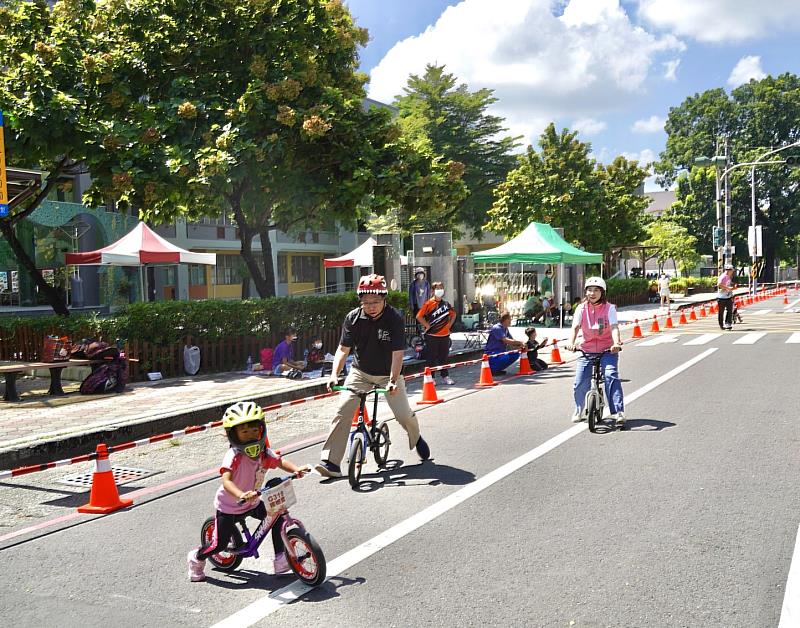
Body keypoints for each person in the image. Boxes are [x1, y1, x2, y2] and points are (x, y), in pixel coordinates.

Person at [315, 274, 430, 478]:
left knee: (403, 414)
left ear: (384, 298)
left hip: (388, 374)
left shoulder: (394, 319)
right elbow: (343, 350)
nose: (371, 306)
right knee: (342, 411)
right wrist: (334, 375)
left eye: (375, 302)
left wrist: (394, 380)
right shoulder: (353, 318)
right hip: (360, 372)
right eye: (366, 302)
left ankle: (416, 436)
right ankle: (331, 462)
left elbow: (398, 354)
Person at [187, 401, 311, 582]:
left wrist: (295, 470)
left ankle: (280, 559)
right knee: (218, 544)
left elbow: (280, 462)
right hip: (229, 506)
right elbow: (226, 481)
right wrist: (241, 494)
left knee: (276, 516)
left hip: (252, 502)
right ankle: (196, 557)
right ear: (233, 435)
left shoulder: (262, 452)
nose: (251, 436)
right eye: (244, 432)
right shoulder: (234, 456)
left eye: (254, 431)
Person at [564, 276, 626, 427]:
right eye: (589, 290)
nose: (592, 293)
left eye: (596, 290)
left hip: (607, 350)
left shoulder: (609, 308)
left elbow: (614, 327)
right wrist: (570, 343)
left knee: (611, 375)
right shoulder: (581, 308)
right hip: (587, 350)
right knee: (580, 381)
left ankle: (619, 412)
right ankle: (579, 409)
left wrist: (616, 343)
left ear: (602, 292)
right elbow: (575, 327)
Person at [416, 281, 457, 385]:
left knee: (444, 357)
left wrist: (449, 325)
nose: (440, 290)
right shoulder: (428, 304)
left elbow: (454, 314)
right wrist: (427, 325)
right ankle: (431, 377)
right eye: (437, 288)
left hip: (445, 335)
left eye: (441, 288)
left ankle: (445, 376)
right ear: (432, 291)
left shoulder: (446, 304)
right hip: (432, 335)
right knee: (431, 357)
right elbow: (419, 316)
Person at [484, 310, 526, 375]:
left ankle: (498, 369)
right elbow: (506, 340)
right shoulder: (497, 328)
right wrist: (520, 342)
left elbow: (512, 341)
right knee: (505, 358)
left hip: (500, 352)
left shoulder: (505, 329)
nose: (510, 321)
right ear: (505, 319)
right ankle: (492, 370)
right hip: (492, 353)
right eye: (509, 319)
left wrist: (520, 346)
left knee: (515, 354)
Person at [717, 264, 736, 330]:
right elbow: (719, 284)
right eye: (732, 271)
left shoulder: (729, 276)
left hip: (728, 296)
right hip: (721, 297)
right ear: (728, 270)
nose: (732, 272)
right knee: (721, 312)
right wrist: (727, 288)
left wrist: (732, 287)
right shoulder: (723, 276)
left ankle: (728, 324)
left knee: (729, 310)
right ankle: (721, 324)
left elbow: (728, 284)